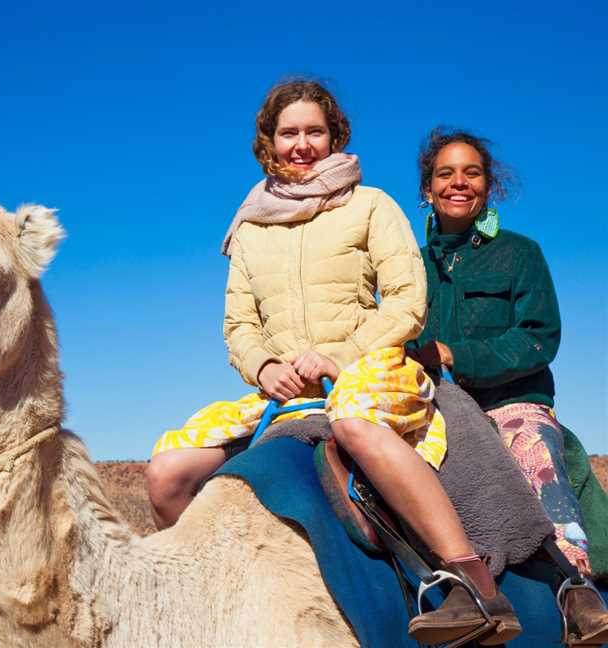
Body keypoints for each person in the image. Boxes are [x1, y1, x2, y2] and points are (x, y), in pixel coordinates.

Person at [147, 80, 520, 645]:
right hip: (283, 387)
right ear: (268, 142)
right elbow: (238, 326)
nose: (302, 145)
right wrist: (265, 367)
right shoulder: (249, 228)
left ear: (334, 135)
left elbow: (405, 300)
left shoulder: (371, 205)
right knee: (166, 471)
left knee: (355, 423)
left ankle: (472, 582)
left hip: (364, 367)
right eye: (289, 133)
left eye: (314, 132)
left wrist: (340, 355)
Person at [409, 128, 608, 645]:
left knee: (533, 453)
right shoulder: (407, 264)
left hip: (511, 399)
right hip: (435, 404)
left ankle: (575, 586)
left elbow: (539, 338)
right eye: (444, 173)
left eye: (471, 172)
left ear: (488, 185)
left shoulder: (520, 253)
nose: (458, 183)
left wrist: (458, 355)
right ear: (427, 189)